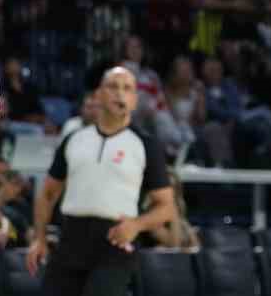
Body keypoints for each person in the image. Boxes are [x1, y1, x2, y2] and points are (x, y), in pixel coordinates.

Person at [26, 65, 176, 296]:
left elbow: (166, 207)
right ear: (97, 95)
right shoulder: (74, 139)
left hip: (114, 241)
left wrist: (136, 225)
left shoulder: (146, 145)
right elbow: (47, 194)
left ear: (134, 100)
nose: (120, 93)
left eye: (127, 89)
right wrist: (39, 238)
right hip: (71, 238)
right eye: (113, 87)